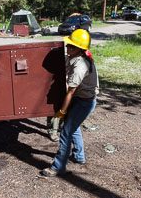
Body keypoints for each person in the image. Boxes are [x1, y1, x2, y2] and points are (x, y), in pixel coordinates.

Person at [41, 29, 99, 177]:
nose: (67, 47)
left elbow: (70, 92)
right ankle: (79, 156)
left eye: (70, 46)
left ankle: (58, 167)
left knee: (66, 132)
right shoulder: (80, 57)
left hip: (84, 102)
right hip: (82, 99)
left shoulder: (81, 66)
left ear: (77, 48)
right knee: (73, 127)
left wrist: (62, 112)